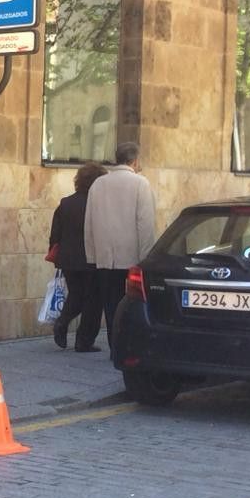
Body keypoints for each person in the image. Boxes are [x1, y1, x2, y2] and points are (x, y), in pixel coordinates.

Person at [83, 140, 157, 362]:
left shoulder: (98, 184)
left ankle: (115, 346)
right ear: (134, 160)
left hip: (105, 257)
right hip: (131, 257)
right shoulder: (140, 184)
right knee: (131, 306)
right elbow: (145, 224)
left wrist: (92, 255)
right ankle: (126, 347)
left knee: (110, 305)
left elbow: (89, 223)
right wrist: (146, 259)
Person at [47, 162, 106, 352]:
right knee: (93, 301)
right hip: (92, 258)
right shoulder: (99, 204)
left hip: (69, 259)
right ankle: (83, 341)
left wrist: (56, 254)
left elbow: (55, 233)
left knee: (76, 295)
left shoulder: (66, 203)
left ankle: (62, 322)